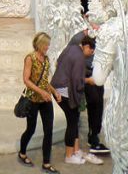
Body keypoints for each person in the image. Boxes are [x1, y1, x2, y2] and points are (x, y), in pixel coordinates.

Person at [51, 34, 104, 165]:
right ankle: (69, 155)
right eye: (91, 51)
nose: (90, 54)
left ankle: (76, 150)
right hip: (64, 92)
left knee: (73, 120)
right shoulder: (80, 57)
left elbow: (58, 62)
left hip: (57, 87)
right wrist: (89, 81)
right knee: (72, 123)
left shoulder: (71, 48)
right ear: (86, 46)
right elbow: (77, 81)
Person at [18, 31, 60, 172]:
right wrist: (41, 92)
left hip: (45, 99)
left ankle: (46, 163)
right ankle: (22, 152)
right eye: (46, 44)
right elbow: (26, 80)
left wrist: (54, 92)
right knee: (31, 129)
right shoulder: (30, 58)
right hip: (33, 100)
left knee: (49, 130)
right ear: (40, 44)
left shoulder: (46, 59)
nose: (48, 47)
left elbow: (45, 82)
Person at [67, 30, 107, 156]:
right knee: (85, 107)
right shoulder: (79, 38)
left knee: (97, 105)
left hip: (97, 75)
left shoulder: (105, 36)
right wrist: (84, 78)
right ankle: (79, 142)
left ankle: (93, 136)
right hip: (84, 76)